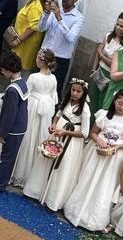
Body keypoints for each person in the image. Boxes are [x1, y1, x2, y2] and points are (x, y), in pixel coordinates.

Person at [63, 89, 123, 231]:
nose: (122, 107)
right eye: (119, 103)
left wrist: (118, 147)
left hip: (114, 157)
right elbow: (92, 133)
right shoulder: (104, 115)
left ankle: (95, 217)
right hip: (98, 152)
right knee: (89, 178)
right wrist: (99, 141)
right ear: (114, 101)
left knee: (105, 184)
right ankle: (76, 209)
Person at [24, 77, 90, 208]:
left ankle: (52, 198)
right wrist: (53, 124)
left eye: (78, 91)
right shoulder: (67, 100)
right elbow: (58, 115)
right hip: (57, 136)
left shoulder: (85, 109)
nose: (75, 93)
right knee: (46, 161)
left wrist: (66, 132)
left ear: (83, 93)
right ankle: (36, 191)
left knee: (62, 167)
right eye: (73, 90)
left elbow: (85, 133)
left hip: (70, 142)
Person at [0, 51, 29, 193]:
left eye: (3, 70)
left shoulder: (13, 90)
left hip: (13, 129)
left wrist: (3, 133)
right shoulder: (22, 83)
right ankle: (1, 178)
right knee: (9, 156)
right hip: (20, 126)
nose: (2, 73)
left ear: (9, 70)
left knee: (6, 158)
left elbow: (9, 114)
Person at [11, 48, 58, 187]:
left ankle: (16, 170)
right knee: (36, 138)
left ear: (42, 61)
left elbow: (25, 93)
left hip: (31, 109)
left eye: (37, 57)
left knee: (26, 136)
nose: (35, 59)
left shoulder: (33, 77)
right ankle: (30, 174)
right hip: (44, 113)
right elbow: (53, 97)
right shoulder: (53, 78)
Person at [38, 0, 84, 98]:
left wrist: (59, 18)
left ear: (76, 0)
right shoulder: (56, 9)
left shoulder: (78, 18)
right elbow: (41, 28)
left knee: (53, 94)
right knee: (37, 87)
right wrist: (46, 13)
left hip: (60, 59)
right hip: (45, 54)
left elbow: (71, 38)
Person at [90, 12, 123, 114]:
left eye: (121, 26)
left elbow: (113, 63)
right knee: (93, 101)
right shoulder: (108, 36)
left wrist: (102, 55)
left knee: (102, 105)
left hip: (110, 76)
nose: (118, 27)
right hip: (99, 72)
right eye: (117, 24)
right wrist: (94, 69)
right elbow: (98, 51)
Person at [8, 0, 49, 71]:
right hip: (22, 43)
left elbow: (33, 28)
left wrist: (18, 41)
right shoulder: (33, 2)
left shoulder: (36, 6)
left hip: (25, 46)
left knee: (20, 71)